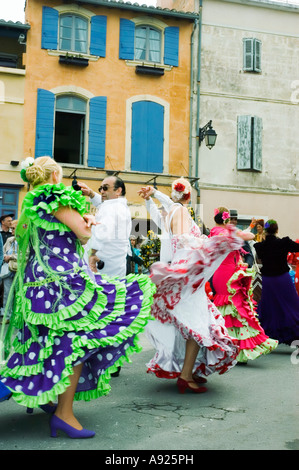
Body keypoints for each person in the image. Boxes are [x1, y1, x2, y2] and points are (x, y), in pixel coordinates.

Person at [0, 156, 155, 438]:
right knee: (76, 342)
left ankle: (47, 397)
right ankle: (64, 414)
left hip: (40, 283)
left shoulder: (32, 201)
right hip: (62, 282)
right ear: (55, 174)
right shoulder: (53, 194)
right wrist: (91, 220)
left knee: (48, 342)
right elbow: (83, 235)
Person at [144, 178, 251, 394]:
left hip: (183, 277)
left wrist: (153, 195)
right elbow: (185, 241)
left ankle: (187, 371)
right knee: (197, 325)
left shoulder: (170, 213)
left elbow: (160, 213)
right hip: (188, 278)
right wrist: (210, 244)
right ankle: (185, 375)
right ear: (188, 195)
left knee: (193, 325)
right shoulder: (181, 212)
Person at [209, 208, 278, 364]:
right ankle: (230, 348)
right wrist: (241, 231)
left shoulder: (217, 231)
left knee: (232, 309)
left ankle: (230, 348)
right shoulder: (221, 232)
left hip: (226, 271)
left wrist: (245, 229)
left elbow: (244, 235)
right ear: (225, 221)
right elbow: (248, 236)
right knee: (232, 308)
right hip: (226, 273)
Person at [255, 219, 299, 345]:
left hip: (268, 281)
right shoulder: (284, 243)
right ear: (277, 230)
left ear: (265, 230)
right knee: (291, 307)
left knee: (270, 308)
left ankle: (269, 336)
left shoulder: (260, 246)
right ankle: (294, 335)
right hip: (282, 279)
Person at [78, 177, 132, 278]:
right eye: (101, 188)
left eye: (105, 188)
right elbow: (101, 204)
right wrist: (91, 193)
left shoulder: (113, 208)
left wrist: (93, 254)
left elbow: (102, 232)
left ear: (118, 191)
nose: (102, 191)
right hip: (112, 264)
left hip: (103, 264)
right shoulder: (116, 206)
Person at [2, 220, 18, 323]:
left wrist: (11, 257)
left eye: (13, 228)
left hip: (19, 270)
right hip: (8, 269)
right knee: (7, 293)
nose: (11, 230)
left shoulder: (25, 240)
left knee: (19, 293)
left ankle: (16, 316)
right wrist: (4, 257)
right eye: (11, 228)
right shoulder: (9, 240)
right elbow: (2, 251)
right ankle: (6, 316)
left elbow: (26, 255)